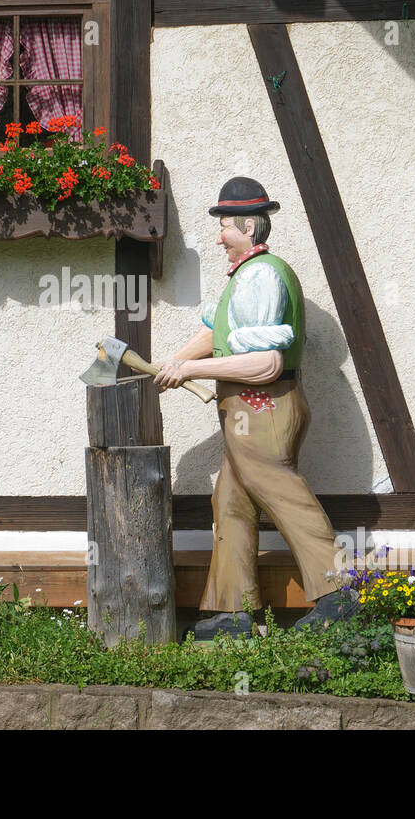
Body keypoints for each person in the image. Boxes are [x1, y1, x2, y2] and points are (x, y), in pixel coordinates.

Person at [155, 176, 353, 638]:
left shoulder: (263, 275)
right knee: (230, 502)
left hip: (264, 407)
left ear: (248, 227)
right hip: (245, 411)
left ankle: (340, 593)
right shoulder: (244, 274)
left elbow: (266, 362)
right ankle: (234, 611)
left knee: (282, 492)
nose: (219, 235)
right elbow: (216, 333)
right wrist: (172, 364)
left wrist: (192, 372)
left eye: (225, 225)